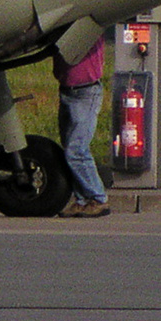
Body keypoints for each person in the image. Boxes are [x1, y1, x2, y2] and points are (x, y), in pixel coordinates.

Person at [53, 38, 110, 217]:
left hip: (86, 91)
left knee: (76, 149)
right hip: (67, 90)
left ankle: (98, 198)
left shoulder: (88, 28)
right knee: (70, 148)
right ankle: (82, 200)